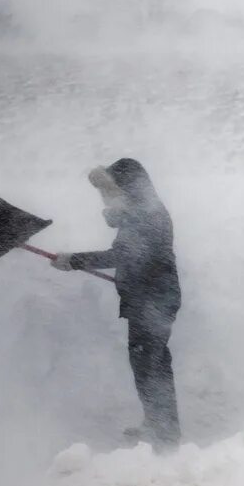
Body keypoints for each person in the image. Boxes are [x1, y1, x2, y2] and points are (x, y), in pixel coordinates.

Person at [52, 157, 182, 451]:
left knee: (151, 366)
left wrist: (73, 260)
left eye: (114, 189)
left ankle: (165, 434)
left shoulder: (148, 215)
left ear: (131, 188)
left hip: (154, 301)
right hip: (149, 298)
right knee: (150, 365)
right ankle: (159, 425)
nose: (109, 196)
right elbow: (126, 238)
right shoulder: (143, 210)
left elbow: (122, 255)